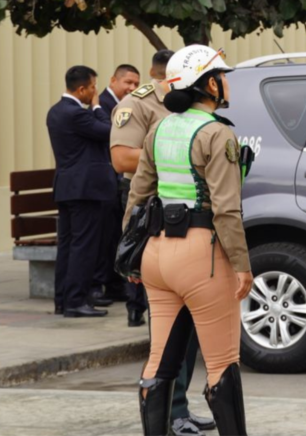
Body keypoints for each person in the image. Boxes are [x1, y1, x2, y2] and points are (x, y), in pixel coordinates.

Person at [126, 45, 253, 436]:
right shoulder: (217, 133)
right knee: (222, 365)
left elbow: (138, 195)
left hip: (156, 255)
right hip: (202, 255)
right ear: (210, 84)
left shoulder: (159, 128)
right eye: (222, 76)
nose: (227, 82)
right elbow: (226, 210)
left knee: (158, 362)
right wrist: (243, 265)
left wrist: (129, 255)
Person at [112, 49, 216, 436]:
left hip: (192, 221)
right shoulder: (137, 104)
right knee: (167, 331)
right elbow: (122, 159)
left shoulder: (194, 107)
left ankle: (180, 406)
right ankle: (169, 412)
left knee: (188, 331)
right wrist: (179, 149)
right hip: (155, 219)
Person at [46, 66, 118, 318]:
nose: (94, 92)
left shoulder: (56, 111)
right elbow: (110, 130)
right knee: (83, 246)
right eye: (92, 87)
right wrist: (98, 108)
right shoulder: (77, 114)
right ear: (81, 89)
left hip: (67, 186)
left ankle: (63, 300)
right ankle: (76, 301)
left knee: (67, 245)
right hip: (85, 189)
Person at [92, 64, 141, 307]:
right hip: (108, 181)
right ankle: (106, 283)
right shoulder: (103, 105)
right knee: (109, 237)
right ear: (113, 80)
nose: (132, 88)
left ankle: (115, 284)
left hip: (115, 183)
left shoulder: (129, 103)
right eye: (127, 83)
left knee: (114, 235)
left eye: (136, 83)